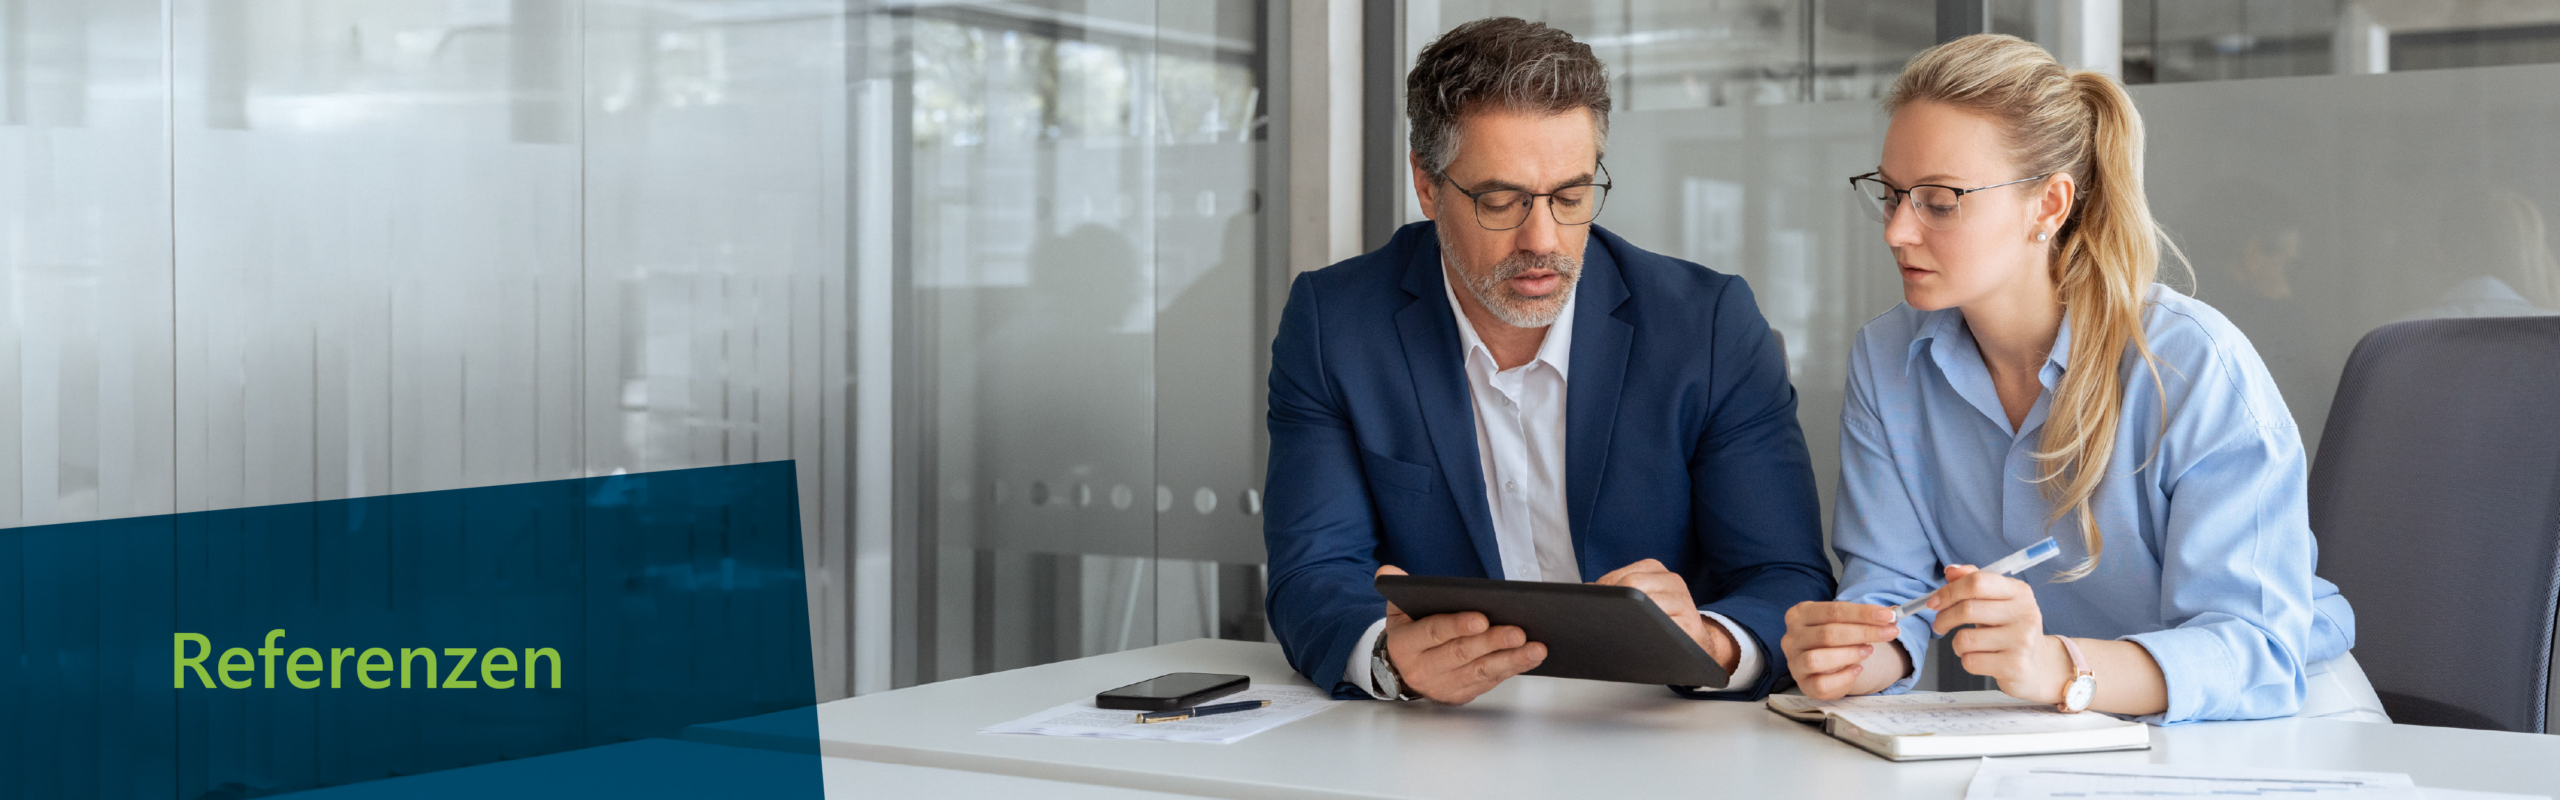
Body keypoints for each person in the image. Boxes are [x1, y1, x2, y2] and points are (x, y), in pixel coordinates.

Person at [1779, 34, 2389, 724]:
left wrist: (2056, 665)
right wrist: (1849, 657)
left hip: (2278, 721)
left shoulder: (2191, 364)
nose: (1896, 231)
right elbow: (1892, 593)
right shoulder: (1887, 357)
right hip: (2074, 727)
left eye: (1939, 201)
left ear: (2049, 205)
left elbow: (2256, 651)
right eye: (1891, 195)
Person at [1262, 17, 1833, 704]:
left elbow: (1786, 575)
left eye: (1570, 196)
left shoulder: (1707, 327)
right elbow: (1312, 572)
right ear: (1427, 185)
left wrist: (1709, 643)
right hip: (1446, 731)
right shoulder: (1336, 325)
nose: (1543, 240)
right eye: (1501, 201)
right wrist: (1389, 659)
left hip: (1658, 720)